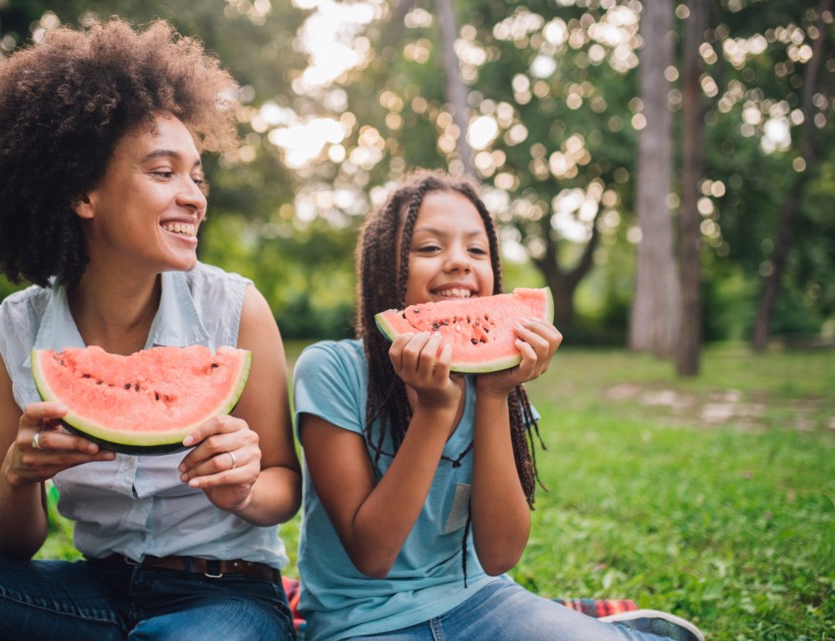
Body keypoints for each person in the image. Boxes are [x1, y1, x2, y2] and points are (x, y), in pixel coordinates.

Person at [0, 18, 300, 641]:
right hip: (89, 594)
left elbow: (283, 486)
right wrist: (20, 478)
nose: (194, 197)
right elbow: (13, 543)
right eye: (164, 173)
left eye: (196, 174)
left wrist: (242, 488)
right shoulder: (7, 337)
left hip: (225, 596)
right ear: (82, 193)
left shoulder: (235, 310)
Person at [292, 170, 705, 641]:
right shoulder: (331, 369)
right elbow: (373, 554)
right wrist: (434, 412)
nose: (458, 263)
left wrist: (493, 394)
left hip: (481, 601)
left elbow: (500, 555)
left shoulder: (494, 379)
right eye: (429, 248)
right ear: (385, 268)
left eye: (476, 249)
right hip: (361, 622)